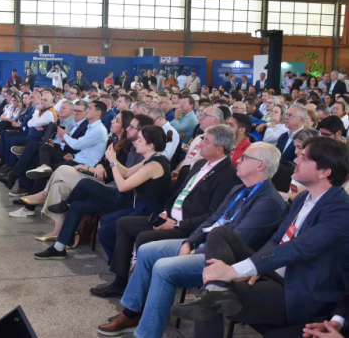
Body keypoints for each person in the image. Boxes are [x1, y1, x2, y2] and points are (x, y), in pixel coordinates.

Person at [98, 142, 286, 338]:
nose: (238, 159)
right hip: (204, 243)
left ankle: (147, 334)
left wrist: (197, 249)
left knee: (163, 268)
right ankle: (131, 314)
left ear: (260, 165)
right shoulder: (240, 189)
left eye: (245, 157)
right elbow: (213, 219)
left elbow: (236, 240)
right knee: (146, 250)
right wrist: (190, 242)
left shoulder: (268, 202)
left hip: (223, 259)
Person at [173, 136, 349, 338]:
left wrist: (235, 271)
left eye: (305, 158)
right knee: (220, 233)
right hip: (275, 272)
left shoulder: (340, 211)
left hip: (299, 291)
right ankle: (216, 287)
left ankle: (215, 289)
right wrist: (256, 267)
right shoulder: (303, 197)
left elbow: (296, 248)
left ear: (325, 172)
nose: (296, 160)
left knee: (212, 301)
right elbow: (277, 239)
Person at [91, 124, 241, 299]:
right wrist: (166, 212)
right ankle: (120, 283)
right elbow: (179, 196)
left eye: (205, 141)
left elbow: (213, 215)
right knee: (123, 224)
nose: (200, 143)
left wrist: (177, 224)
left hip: (188, 228)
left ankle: (141, 293)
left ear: (219, 149)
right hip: (169, 217)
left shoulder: (228, 176)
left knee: (144, 238)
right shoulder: (200, 164)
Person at [34, 125, 171, 260]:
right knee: (78, 205)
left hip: (137, 206)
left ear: (150, 145)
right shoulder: (151, 159)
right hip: (133, 201)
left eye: (140, 140)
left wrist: (112, 162)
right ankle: (59, 247)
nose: (136, 141)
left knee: (85, 184)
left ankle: (66, 204)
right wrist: (113, 159)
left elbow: (122, 186)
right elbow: (128, 172)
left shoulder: (153, 165)